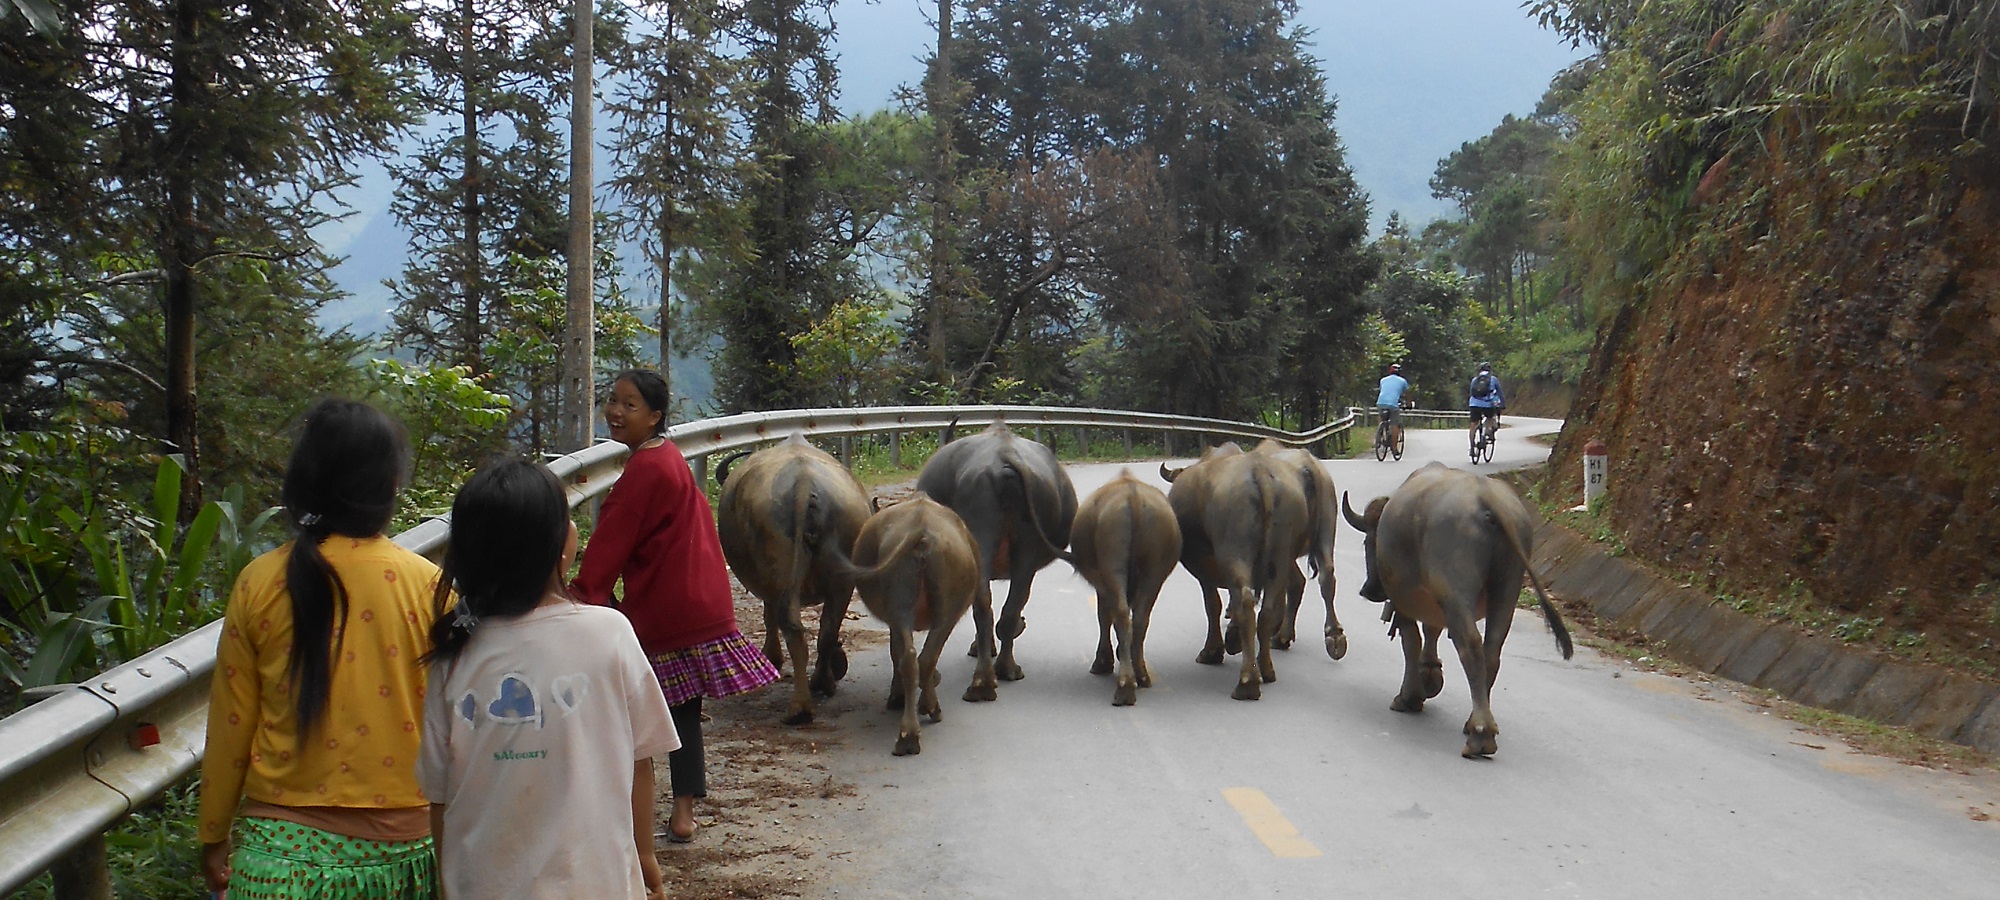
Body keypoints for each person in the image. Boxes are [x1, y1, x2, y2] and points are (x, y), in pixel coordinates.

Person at [198, 399, 440, 900]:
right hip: (407, 858)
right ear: (391, 486)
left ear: (302, 485)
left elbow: (232, 722)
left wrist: (213, 834)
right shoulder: (429, 587)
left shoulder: (259, 582)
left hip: (278, 862)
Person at [418, 460, 677, 900]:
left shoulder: (454, 656)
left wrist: (448, 884)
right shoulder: (608, 634)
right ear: (557, 545)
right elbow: (640, 761)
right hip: (596, 882)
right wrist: (645, 854)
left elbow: (441, 797)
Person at [571, 369, 780, 844]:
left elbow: (608, 547)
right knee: (683, 709)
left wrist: (581, 595)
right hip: (696, 596)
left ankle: (620, 818)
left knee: (625, 714)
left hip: (665, 607)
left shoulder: (641, 473)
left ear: (655, 416)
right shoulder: (667, 456)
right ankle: (682, 812)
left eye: (630, 405)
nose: (616, 412)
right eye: (613, 401)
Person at [1468, 361, 1506, 448]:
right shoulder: (1493, 379)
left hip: (1474, 404)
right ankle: (1488, 430)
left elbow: (1471, 393)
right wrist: (1502, 404)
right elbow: (1499, 393)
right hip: (1488, 404)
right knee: (1490, 418)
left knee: (1473, 423)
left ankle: (1472, 446)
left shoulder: (1475, 379)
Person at [1376, 363, 1412, 446]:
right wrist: (1409, 404)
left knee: (1381, 416)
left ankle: (1380, 434)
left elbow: (1385, 391)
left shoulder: (1383, 380)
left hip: (1381, 402)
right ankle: (1394, 447)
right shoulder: (1402, 381)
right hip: (1393, 404)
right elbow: (1407, 394)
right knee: (1394, 424)